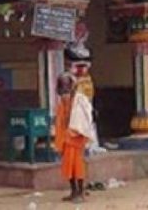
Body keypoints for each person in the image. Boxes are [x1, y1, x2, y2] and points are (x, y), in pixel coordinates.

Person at [54, 68, 95, 203]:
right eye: (62, 90)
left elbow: (84, 119)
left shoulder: (80, 100)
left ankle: (80, 192)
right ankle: (73, 191)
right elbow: (60, 121)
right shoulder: (61, 103)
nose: (64, 93)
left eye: (66, 89)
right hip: (66, 138)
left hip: (76, 138)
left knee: (77, 166)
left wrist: (75, 131)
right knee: (68, 166)